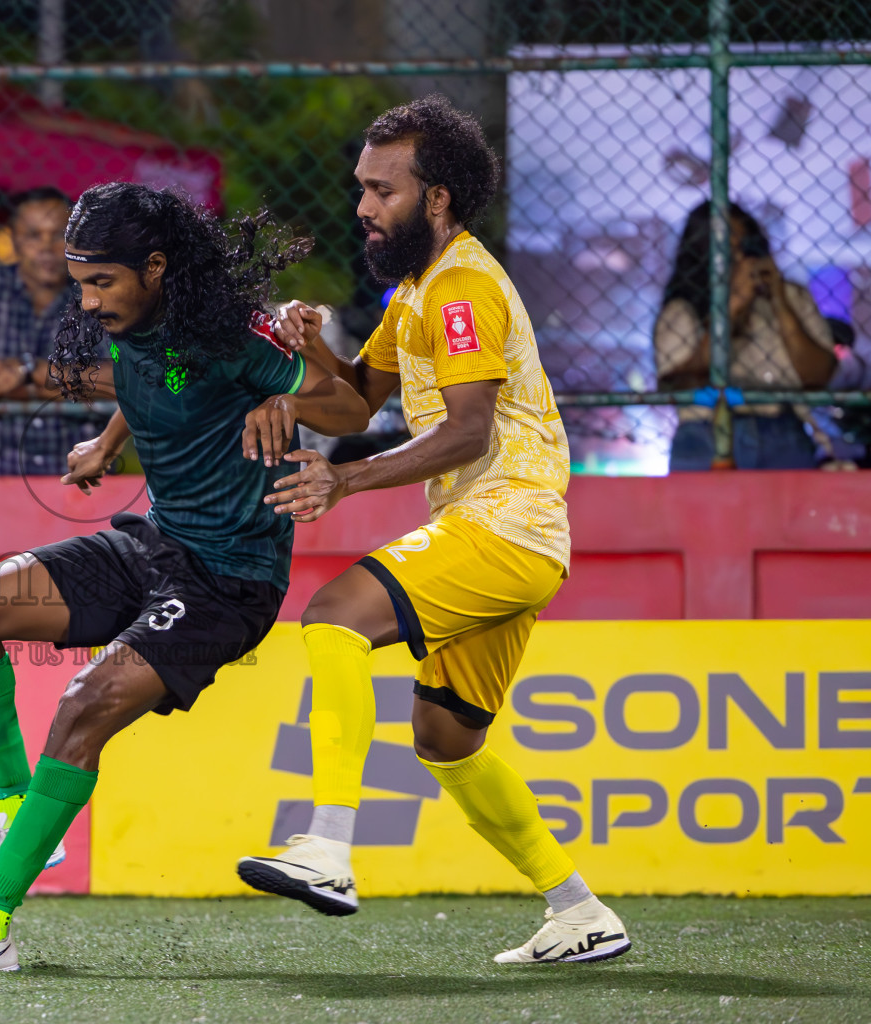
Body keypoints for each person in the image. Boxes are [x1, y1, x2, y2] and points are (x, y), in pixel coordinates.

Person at [0, 182, 370, 972]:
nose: (87, 298)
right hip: (153, 545)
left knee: (83, 707)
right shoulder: (130, 323)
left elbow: (351, 412)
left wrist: (293, 396)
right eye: (79, 280)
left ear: (154, 266)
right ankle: (15, 814)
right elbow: (154, 384)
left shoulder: (232, 335)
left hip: (226, 580)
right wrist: (110, 444)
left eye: (100, 280)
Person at [234, 96, 632, 965]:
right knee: (446, 738)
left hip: (507, 523)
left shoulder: (459, 288)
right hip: (504, 534)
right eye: (361, 188)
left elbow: (466, 433)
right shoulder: (417, 286)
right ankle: (579, 911)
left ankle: (328, 849)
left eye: (382, 190)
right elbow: (353, 398)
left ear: (438, 197)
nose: (364, 207)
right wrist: (310, 349)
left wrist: (343, 479)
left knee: (335, 614)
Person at [655, 201, 836, 471]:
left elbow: (818, 376)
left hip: (783, 432)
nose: (739, 257)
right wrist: (732, 306)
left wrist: (779, 301)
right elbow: (677, 388)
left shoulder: (792, 296)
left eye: (745, 246)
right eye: (727, 248)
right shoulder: (682, 310)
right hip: (707, 434)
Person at [0, 186, 105, 476]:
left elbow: (122, 382)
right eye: (32, 235)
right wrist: (69, 384)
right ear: (14, 238)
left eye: (57, 235)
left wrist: (25, 373)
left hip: (78, 474)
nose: (46, 247)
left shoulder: (96, 295)